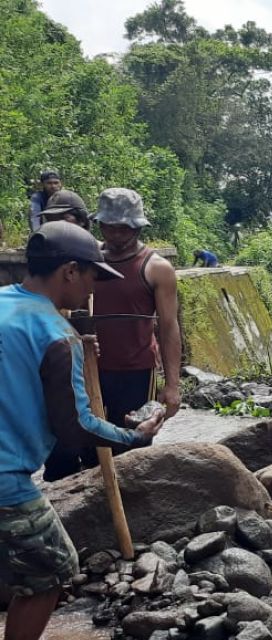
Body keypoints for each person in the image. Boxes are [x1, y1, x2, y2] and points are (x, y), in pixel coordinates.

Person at [0, 221, 164, 640]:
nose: (94, 287)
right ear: (70, 271)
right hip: (5, 479)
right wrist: (135, 436)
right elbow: (75, 426)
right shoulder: (57, 335)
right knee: (54, 567)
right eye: (92, 275)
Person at [42, 188, 182, 481]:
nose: (116, 235)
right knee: (78, 443)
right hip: (86, 370)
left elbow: (169, 327)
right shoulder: (83, 261)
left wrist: (172, 386)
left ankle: (125, 506)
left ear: (137, 227)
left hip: (135, 373)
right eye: (109, 227)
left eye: (124, 228)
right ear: (99, 224)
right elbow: (59, 309)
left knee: (131, 451)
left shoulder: (156, 268)